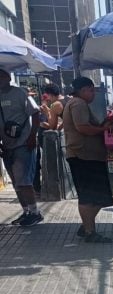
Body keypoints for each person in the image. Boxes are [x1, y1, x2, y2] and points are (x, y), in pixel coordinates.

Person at [63, 77, 113, 243]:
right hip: (83, 155)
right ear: (83, 90)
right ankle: (89, 231)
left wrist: (104, 124)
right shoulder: (78, 103)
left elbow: (87, 126)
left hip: (90, 155)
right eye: (91, 90)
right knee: (88, 196)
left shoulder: (78, 104)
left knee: (100, 196)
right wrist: (103, 129)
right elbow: (83, 128)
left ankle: (87, 225)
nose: (93, 94)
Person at [0, 68, 43, 226]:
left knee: (24, 181)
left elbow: (35, 113)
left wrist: (32, 136)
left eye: (2, 75)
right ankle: (26, 212)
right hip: (6, 146)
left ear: (8, 77)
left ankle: (35, 212)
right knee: (16, 182)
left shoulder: (20, 93)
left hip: (24, 144)